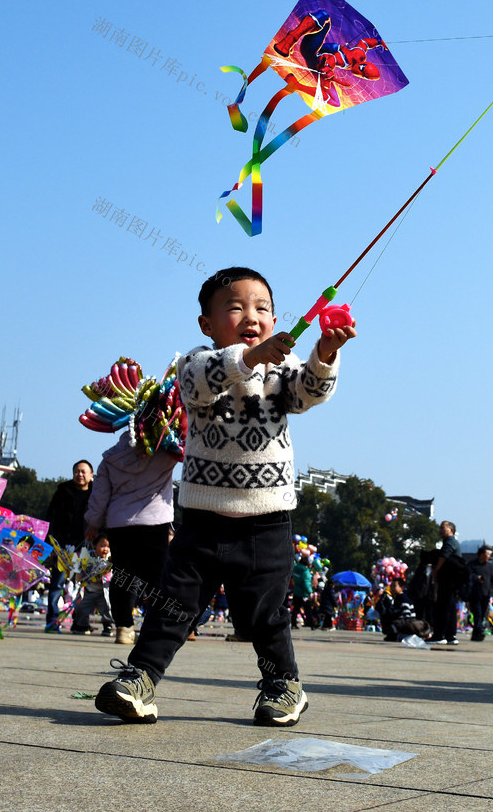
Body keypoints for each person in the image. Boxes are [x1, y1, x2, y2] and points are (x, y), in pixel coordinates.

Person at [94, 266, 355, 726]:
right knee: (172, 604)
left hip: (267, 518)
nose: (251, 316)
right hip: (202, 516)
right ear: (207, 325)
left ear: (276, 320)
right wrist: (251, 357)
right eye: (235, 308)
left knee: (264, 614)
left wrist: (325, 353)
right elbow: (203, 378)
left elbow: (309, 392)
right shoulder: (196, 363)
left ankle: (283, 685)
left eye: (262, 308)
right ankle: (139, 679)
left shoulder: (283, 370)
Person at [84, 429, 176, 646]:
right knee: (157, 578)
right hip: (156, 522)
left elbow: (100, 495)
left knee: (122, 576)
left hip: (121, 524)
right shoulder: (166, 453)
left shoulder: (110, 460)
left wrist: (93, 522)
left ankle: (124, 627)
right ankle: (153, 626)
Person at [45, 460, 94, 632]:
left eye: (83, 472)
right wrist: (50, 544)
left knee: (84, 587)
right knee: (57, 584)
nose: (80, 475)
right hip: (63, 545)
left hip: (87, 545)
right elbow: (51, 517)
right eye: (77, 471)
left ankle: (80, 623)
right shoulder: (62, 492)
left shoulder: (97, 494)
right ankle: (51, 622)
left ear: (91, 475)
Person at [71, 532, 113, 636]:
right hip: (88, 591)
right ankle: (82, 625)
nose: (105, 549)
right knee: (81, 608)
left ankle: (107, 626)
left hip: (104, 592)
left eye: (108, 546)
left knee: (107, 609)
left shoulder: (111, 559)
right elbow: (79, 571)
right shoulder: (87, 557)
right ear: (95, 545)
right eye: (102, 546)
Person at [430, 520, 463, 645]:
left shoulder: (450, 542)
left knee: (443, 607)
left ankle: (440, 635)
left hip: (448, 579)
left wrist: (436, 571)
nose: (440, 530)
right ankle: (450, 635)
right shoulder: (452, 542)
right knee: (450, 606)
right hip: (453, 579)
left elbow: (443, 556)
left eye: (443, 528)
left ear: (451, 530)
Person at [468, 545, 493, 642]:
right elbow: (467, 576)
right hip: (475, 593)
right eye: (488, 554)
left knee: (481, 615)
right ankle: (481, 631)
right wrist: (475, 577)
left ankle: (475, 635)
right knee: (477, 613)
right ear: (481, 555)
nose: (489, 557)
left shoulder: (490, 566)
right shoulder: (472, 565)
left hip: (486, 593)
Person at [291, 556, 314, 628]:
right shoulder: (305, 572)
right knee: (308, 609)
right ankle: (311, 624)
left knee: (295, 609)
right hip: (304, 593)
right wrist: (310, 592)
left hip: (296, 591)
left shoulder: (294, 569)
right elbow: (306, 583)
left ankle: (293, 623)